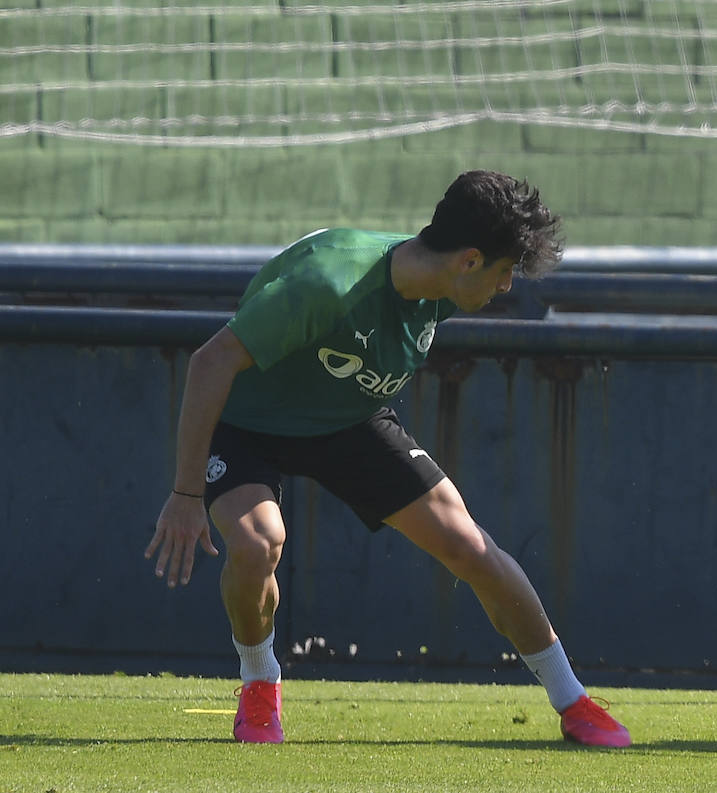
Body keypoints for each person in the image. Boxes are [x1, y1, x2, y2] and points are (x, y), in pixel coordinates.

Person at [144, 170, 631, 748]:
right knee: (257, 544)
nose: (506, 289)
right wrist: (185, 494)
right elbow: (208, 364)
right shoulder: (329, 283)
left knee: (471, 546)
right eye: (505, 273)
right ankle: (259, 682)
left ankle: (572, 701)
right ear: (470, 261)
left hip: (351, 419)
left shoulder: (442, 288)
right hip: (249, 425)